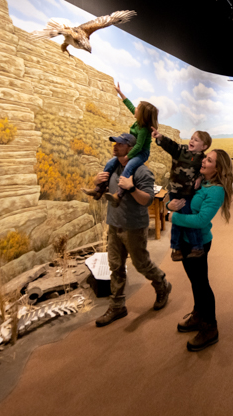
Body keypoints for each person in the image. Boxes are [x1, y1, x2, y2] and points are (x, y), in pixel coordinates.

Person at [92, 132, 172, 327]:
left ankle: (162, 284)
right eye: (115, 143)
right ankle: (117, 305)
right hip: (114, 224)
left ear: (131, 148)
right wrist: (96, 182)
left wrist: (131, 188)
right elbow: (101, 193)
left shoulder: (142, 171)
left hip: (134, 226)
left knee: (141, 264)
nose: (115, 146)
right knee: (115, 266)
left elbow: (147, 200)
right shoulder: (111, 167)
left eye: (120, 143)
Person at [166, 149, 233, 351]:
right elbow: (181, 200)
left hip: (199, 243)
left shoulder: (216, 190)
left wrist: (172, 218)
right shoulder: (201, 181)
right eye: (205, 157)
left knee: (202, 284)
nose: (203, 161)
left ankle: (210, 327)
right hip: (186, 240)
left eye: (209, 160)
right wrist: (171, 206)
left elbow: (201, 220)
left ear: (218, 168)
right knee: (195, 283)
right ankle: (198, 314)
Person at [83, 83, 157, 205]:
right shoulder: (138, 121)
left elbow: (138, 147)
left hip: (141, 153)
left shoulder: (143, 129)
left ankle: (119, 195)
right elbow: (130, 106)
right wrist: (120, 93)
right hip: (134, 149)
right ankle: (99, 189)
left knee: (128, 167)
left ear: (143, 114)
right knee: (110, 162)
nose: (135, 109)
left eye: (138, 108)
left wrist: (127, 157)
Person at [151, 126, 212, 261]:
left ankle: (197, 247)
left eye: (196, 140)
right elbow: (170, 145)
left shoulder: (203, 158)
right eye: (192, 138)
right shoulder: (181, 150)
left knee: (188, 218)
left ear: (204, 146)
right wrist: (160, 137)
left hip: (188, 193)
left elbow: (205, 170)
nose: (192, 141)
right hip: (174, 191)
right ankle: (176, 248)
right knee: (176, 219)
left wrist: (200, 178)